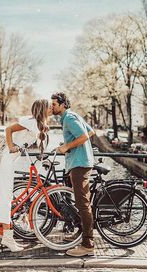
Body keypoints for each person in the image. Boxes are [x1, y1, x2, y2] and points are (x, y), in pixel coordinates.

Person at [0, 99, 52, 252]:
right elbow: (8, 129)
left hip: (13, 160)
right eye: (49, 107)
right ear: (43, 109)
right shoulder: (31, 123)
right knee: (5, 197)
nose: (51, 108)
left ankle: (8, 236)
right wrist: (11, 147)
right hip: (7, 159)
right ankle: (7, 239)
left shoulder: (37, 125)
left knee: (10, 197)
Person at [51, 92, 95, 257]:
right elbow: (91, 132)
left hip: (79, 163)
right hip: (80, 162)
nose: (52, 107)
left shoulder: (69, 118)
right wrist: (70, 144)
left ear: (62, 105)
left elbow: (84, 136)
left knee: (83, 204)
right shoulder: (72, 116)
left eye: (54, 104)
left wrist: (67, 147)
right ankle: (83, 233)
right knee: (81, 202)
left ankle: (88, 244)